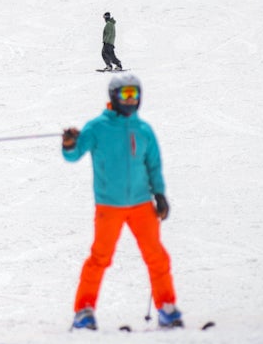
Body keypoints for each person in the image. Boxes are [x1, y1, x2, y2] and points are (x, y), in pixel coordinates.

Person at [62, 73, 181, 330]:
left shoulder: (143, 130)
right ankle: (83, 311)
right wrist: (69, 144)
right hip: (109, 206)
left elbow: (153, 165)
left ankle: (167, 308)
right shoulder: (97, 128)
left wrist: (159, 194)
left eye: (134, 94)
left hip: (141, 204)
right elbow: (74, 154)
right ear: (114, 97)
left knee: (156, 256)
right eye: (126, 95)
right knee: (100, 258)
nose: (130, 100)